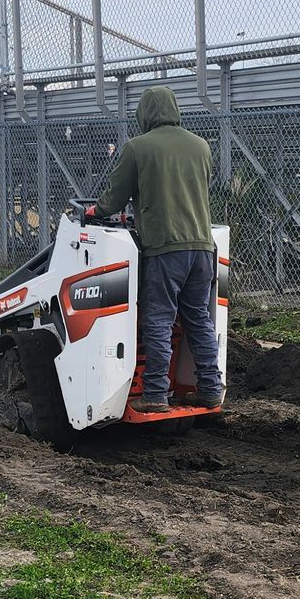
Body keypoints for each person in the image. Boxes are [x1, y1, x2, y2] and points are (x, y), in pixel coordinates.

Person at [91, 86, 224, 413]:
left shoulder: (138, 147)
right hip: (203, 248)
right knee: (198, 319)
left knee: (159, 319)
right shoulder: (201, 146)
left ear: (145, 113)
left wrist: (97, 211)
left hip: (166, 248)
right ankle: (211, 388)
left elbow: (115, 198)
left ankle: (155, 394)